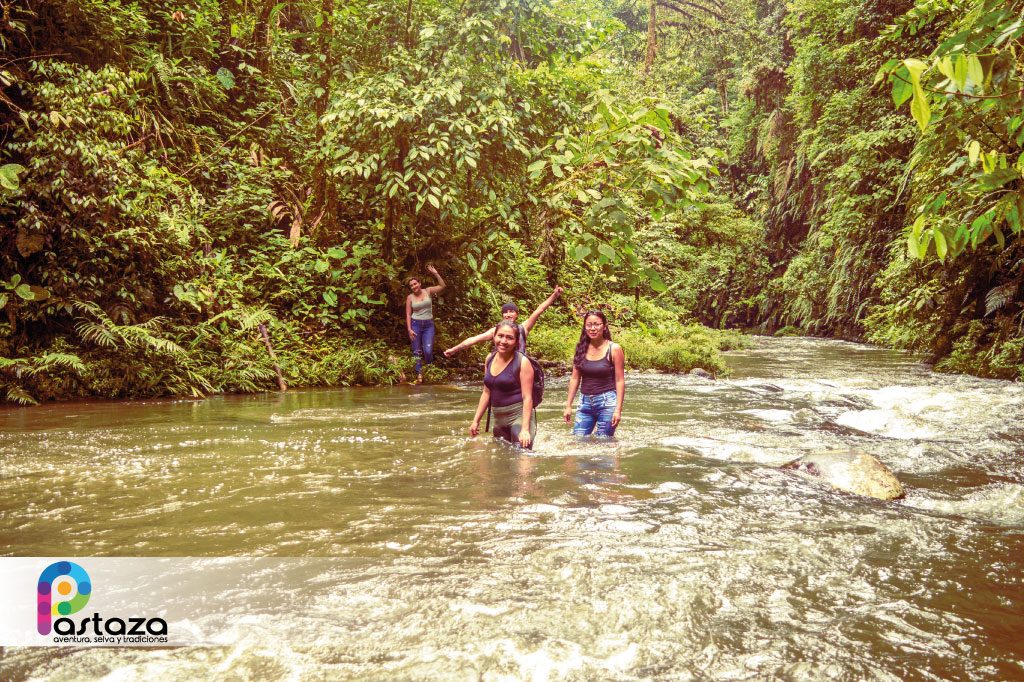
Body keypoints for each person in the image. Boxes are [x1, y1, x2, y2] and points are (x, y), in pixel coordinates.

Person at [444, 286, 563, 357]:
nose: (508, 314)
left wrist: (554, 295)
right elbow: (474, 339)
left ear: (516, 314)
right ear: (502, 315)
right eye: (505, 312)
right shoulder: (495, 330)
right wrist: (454, 349)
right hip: (499, 361)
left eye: (511, 311)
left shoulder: (523, 327)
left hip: (519, 363)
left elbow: (539, 310)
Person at [470, 320, 535, 449]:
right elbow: (486, 392)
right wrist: (475, 421)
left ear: (516, 341)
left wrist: (525, 429)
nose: (503, 341)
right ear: (494, 336)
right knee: (502, 461)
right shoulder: (489, 359)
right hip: (499, 420)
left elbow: (527, 398)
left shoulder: (522, 362)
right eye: (500, 336)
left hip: (519, 417)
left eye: (509, 338)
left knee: (522, 457)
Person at [563, 311, 625, 437]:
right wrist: (568, 405)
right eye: (589, 325)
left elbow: (620, 380)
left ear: (604, 326)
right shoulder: (581, 348)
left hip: (607, 402)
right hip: (585, 403)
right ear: (585, 327)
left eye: (596, 324)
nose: (592, 328)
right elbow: (575, 379)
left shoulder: (614, 349)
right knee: (577, 441)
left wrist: (618, 410)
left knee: (604, 443)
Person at [405, 265, 445, 384]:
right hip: (415, 324)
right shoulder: (410, 297)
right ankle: (419, 374)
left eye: (415, 284)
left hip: (428, 325)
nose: (413, 287)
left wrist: (436, 273)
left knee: (428, 350)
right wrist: (409, 329)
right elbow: (408, 314)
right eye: (411, 285)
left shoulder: (428, 291)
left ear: (420, 283)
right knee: (416, 351)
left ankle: (429, 369)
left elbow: (442, 286)